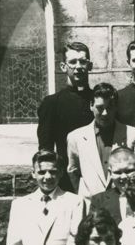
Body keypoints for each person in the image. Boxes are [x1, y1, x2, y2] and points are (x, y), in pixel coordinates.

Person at [66, 83, 135, 199]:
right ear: (91, 106)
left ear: (116, 107)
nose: (105, 113)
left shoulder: (134, 135)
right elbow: (73, 173)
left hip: (124, 204)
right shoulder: (76, 137)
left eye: (110, 107)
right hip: (90, 206)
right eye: (100, 108)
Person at [37, 41, 94, 185]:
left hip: (96, 173)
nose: (78, 67)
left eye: (83, 62)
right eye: (73, 62)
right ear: (63, 67)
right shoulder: (52, 103)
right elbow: (46, 147)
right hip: (66, 178)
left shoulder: (98, 100)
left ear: (90, 66)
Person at [88, 147, 135, 225]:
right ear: (110, 173)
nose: (123, 177)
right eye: (118, 172)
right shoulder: (99, 201)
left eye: (129, 171)